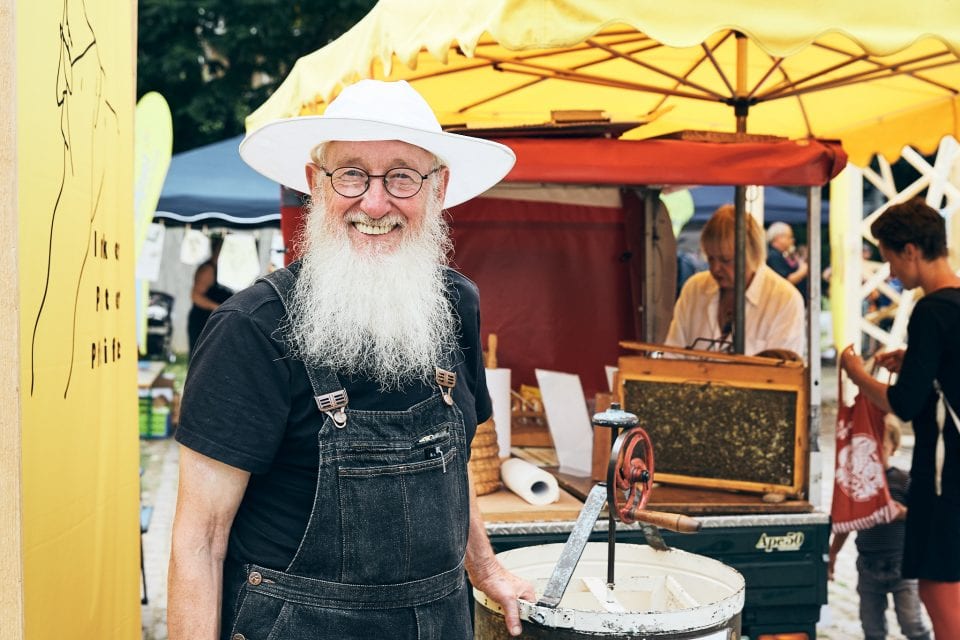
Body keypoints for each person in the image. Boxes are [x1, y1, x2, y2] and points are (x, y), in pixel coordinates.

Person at [167, 79, 536, 640]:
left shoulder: (456, 305)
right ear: (316, 184)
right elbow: (199, 540)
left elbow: (450, 469)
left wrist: (486, 569)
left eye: (402, 176)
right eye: (352, 173)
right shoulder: (252, 328)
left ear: (438, 189)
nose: (374, 202)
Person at [840, 197, 960, 639]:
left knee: (939, 588)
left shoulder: (931, 311)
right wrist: (916, 359)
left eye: (890, 258)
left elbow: (904, 404)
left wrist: (857, 375)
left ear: (910, 250)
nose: (890, 272)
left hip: (944, 473)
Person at [828, 416, 932, 640]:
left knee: (912, 624)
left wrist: (903, 513)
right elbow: (847, 523)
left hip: (903, 565)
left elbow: (926, 518)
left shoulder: (904, 480)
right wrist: (833, 553)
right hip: (868, 565)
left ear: (893, 447)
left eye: (881, 446)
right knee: (872, 628)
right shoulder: (858, 484)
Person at [665, 205, 805, 356]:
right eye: (711, 258)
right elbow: (673, 352)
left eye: (726, 260)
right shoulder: (694, 289)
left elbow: (782, 372)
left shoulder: (785, 299)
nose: (716, 268)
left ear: (752, 254)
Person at [186, 233, 233, 360]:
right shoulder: (208, 269)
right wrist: (218, 308)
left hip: (218, 321)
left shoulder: (227, 270)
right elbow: (195, 296)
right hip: (203, 321)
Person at [766, 221, 809, 298]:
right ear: (779, 238)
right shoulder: (773, 256)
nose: (792, 240)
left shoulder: (777, 254)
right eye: (789, 237)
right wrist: (803, 270)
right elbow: (786, 280)